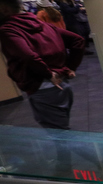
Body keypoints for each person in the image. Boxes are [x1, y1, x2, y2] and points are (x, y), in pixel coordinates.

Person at [0, 0, 84, 129]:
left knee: (59, 136)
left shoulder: (8, 30)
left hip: (43, 86)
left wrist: (48, 73)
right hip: (62, 83)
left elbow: (27, 55)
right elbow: (77, 40)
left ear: (3, 9)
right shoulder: (40, 23)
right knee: (62, 131)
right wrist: (70, 68)